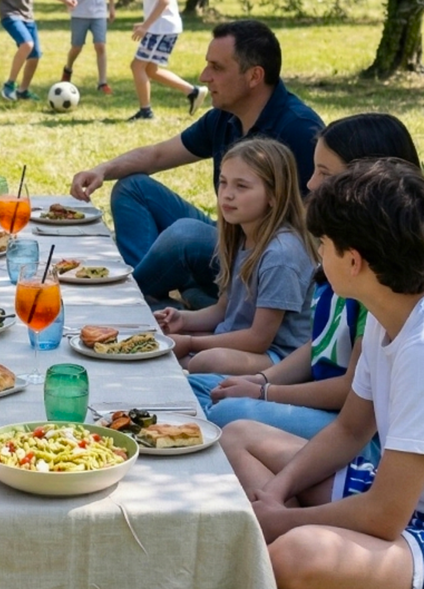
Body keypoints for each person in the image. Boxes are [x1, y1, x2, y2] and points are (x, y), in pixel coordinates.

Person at [220, 159, 424, 589]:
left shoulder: (419, 348)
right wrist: (277, 494)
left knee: (298, 553)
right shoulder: (385, 316)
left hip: (409, 520)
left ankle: (291, 552)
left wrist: (285, 521)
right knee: (238, 435)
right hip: (401, 504)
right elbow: (350, 430)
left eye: (324, 243)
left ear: (353, 261)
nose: (318, 253)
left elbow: (387, 515)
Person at [189, 114, 421, 449]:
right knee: (198, 385)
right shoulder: (349, 272)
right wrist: (260, 380)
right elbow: (320, 343)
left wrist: (265, 391)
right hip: (323, 407)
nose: (310, 184)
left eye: (324, 173)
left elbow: (351, 409)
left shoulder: (382, 288)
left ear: (369, 181)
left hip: (356, 433)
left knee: (227, 415)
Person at [70, 19, 323, 309]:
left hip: (260, 256)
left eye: (217, 68)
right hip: (226, 236)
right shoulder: (224, 116)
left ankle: (129, 298)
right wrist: (103, 170)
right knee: (132, 188)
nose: (203, 77)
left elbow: (312, 233)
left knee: (185, 235)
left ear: (254, 76)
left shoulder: (299, 129)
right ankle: (153, 298)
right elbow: (158, 155)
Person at [154, 138, 317, 374]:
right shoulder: (241, 234)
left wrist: (191, 343)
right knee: (162, 337)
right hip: (239, 340)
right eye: (223, 183)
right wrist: (182, 320)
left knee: (204, 361)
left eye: (241, 186)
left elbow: (258, 339)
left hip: (279, 358)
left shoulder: (281, 254)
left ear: (274, 195)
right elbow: (224, 309)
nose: (227, 195)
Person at [0, 0, 78, 101]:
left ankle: (23, 91)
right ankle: (9, 85)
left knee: (34, 55)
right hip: (9, 14)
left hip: (28, 16)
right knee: (27, 44)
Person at [126, 0, 207, 120]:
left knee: (137, 66)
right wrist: (146, 24)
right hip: (160, 28)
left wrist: (146, 26)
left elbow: (164, 2)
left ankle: (145, 112)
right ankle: (192, 91)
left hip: (161, 30)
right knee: (150, 70)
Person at [60, 0, 115, 95]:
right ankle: (68, 70)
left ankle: (102, 83)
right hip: (79, 14)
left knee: (100, 46)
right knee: (76, 48)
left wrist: (111, 7)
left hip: (99, 14)